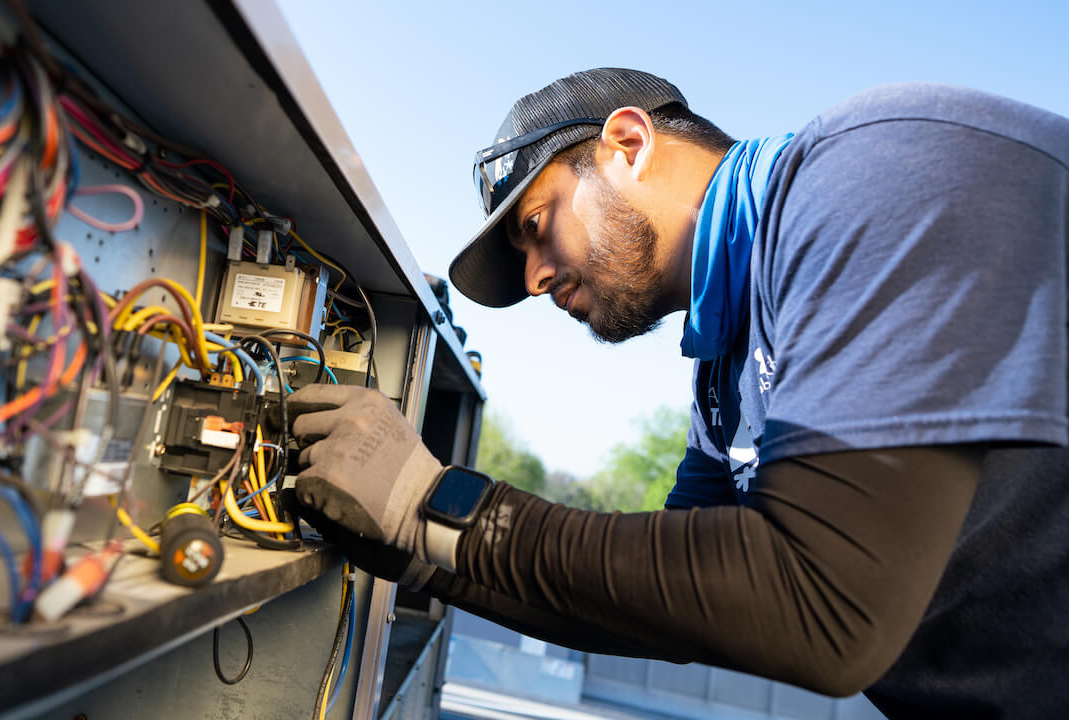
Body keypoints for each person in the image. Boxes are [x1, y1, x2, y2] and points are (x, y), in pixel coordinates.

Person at [285, 68, 1069, 718]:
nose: (534, 278)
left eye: (537, 223)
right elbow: (667, 604)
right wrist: (411, 552)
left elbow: (826, 609)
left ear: (629, 144)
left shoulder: (882, 167)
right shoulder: (724, 373)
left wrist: (431, 501)